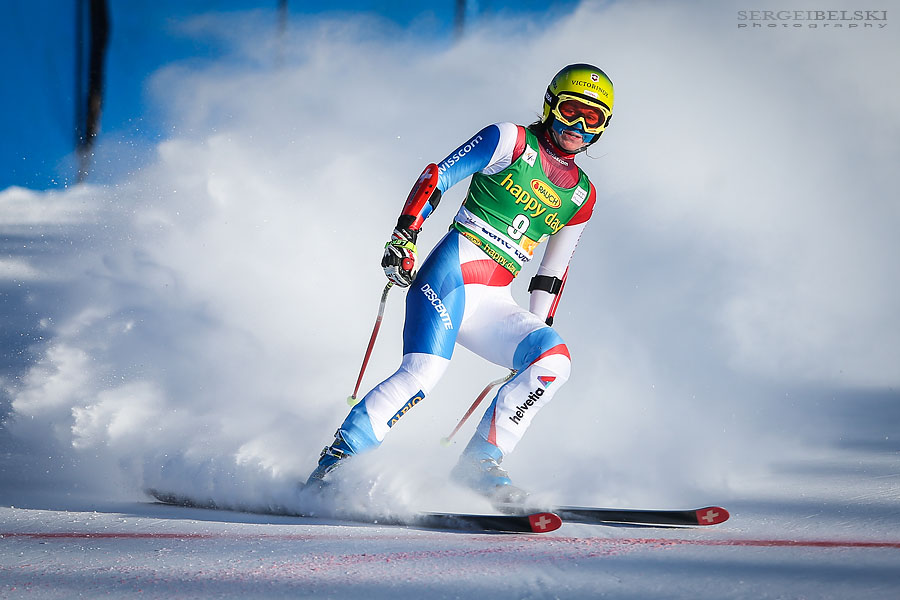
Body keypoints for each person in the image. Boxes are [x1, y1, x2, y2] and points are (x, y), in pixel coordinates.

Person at [306, 64, 614, 504]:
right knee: (423, 374)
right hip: (449, 275)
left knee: (553, 362)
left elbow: (552, 273)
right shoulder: (511, 139)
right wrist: (404, 235)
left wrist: (533, 334)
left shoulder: (582, 196)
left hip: (493, 301)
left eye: (593, 119)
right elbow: (439, 176)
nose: (578, 126)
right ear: (550, 105)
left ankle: (478, 467)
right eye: (570, 111)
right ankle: (333, 467)